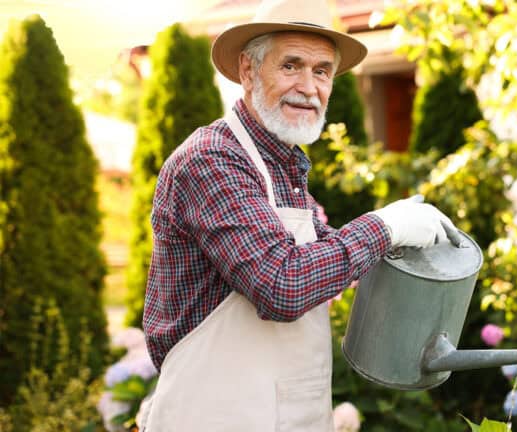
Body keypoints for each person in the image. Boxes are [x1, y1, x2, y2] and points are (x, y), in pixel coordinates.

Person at [139, 0, 454, 430]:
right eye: (291, 66)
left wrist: (409, 251)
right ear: (248, 71)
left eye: (322, 71)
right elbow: (282, 284)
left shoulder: (282, 166)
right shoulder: (213, 160)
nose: (308, 87)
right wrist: (384, 226)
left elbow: (326, 259)